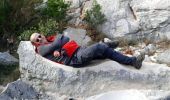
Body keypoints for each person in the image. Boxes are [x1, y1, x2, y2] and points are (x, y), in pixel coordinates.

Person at [30, 32, 145, 69]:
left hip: (79, 50)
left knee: (105, 52)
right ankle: (105, 44)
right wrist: (59, 44)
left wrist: (59, 47)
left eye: (39, 36)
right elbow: (62, 39)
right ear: (35, 43)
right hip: (75, 58)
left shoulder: (50, 40)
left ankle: (133, 61)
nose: (40, 39)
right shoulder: (40, 49)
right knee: (100, 47)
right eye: (37, 40)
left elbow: (64, 38)